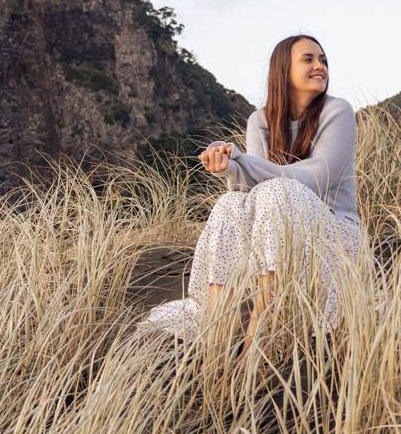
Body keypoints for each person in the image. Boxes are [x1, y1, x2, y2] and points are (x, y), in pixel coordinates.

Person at [143, 34, 363, 356]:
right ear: (283, 69)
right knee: (230, 202)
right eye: (309, 59)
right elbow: (251, 195)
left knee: (278, 191)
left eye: (323, 60)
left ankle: (258, 339)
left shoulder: (337, 111)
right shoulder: (259, 121)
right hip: (276, 235)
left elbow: (319, 177)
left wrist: (245, 161)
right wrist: (228, 167)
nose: (320, 67)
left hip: (335, 235)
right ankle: (217, 332)